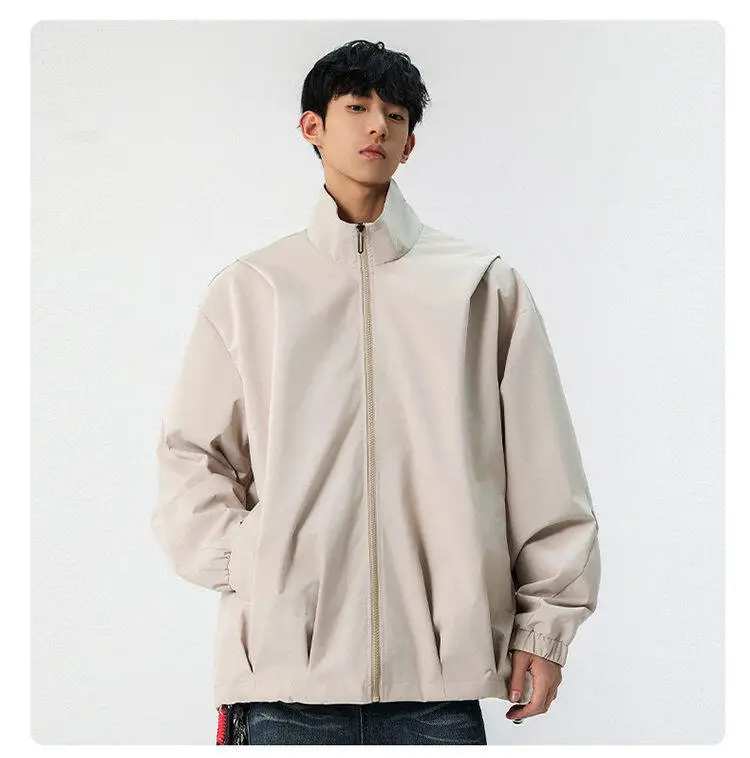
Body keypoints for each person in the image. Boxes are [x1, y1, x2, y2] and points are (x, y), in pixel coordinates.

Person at [151, 39, 601, 746]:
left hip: (438, 687)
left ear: (410, 142)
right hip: (283, 681)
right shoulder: (252, 290)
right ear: (312, 126)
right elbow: (190, 459)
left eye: (395, 115)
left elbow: (545, 470)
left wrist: (545, 629)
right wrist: (258, 562)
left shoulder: (480, 285)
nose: (377, 127)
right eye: (356, 107)